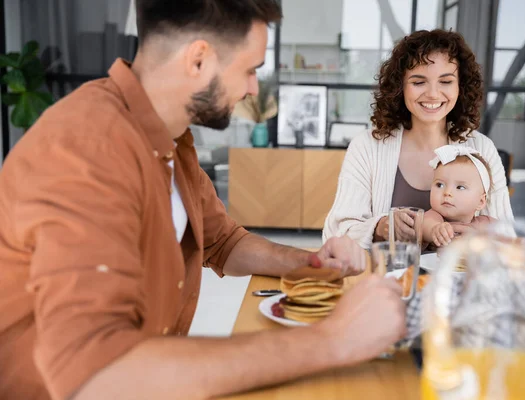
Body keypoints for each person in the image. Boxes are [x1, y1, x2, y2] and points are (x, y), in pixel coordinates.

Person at [0, 2, 408, 399]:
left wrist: (312, 263)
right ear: (198, 59)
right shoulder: (89, 149)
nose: (252, 88)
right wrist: (334, 341)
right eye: (250, 69)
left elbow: (224, 243)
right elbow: (99, 377)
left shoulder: (170, 136)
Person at [323, 29, 514, 249]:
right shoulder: (367, 147)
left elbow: (507, 238)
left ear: (460, 87)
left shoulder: (482, 149)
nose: (433, 94)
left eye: (445, 81)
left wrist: (478, 238)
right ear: (399, 87)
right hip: (386, 279)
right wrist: (380, 228)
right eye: (418, 82)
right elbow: (334, 236)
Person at [423, 145, 496, 248]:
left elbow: (507, 241)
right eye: (440, 185)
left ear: (480, 202)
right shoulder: (434, 217)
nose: (447, 192)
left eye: (460, 187)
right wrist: (435, 229)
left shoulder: (486, 223)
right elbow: (425, 226)